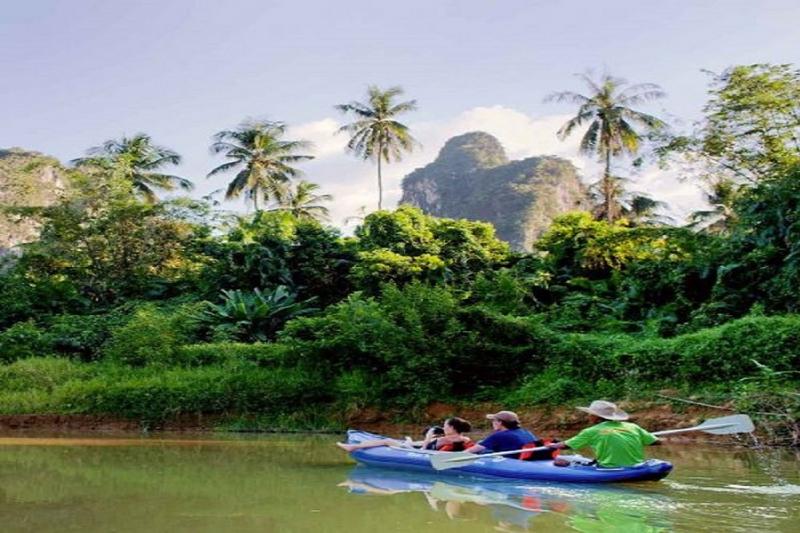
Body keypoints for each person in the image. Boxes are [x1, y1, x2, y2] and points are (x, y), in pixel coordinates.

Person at [548, 400, 660, 468]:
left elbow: (565, 445)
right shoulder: (633, 427)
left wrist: (551, 446)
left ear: (596, 417)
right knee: (581, 457)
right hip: (636, 466)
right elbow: (656, 442)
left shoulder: (591, 431)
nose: (588, 416)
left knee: (559, 459)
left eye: (590, 414)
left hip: (608, 468)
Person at [336, 418, 472, 452]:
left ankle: (352, 447)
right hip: (417, 447)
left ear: (452, 428)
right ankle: (409, 441)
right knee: (409, 441)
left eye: (445, 425)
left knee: (387, 441)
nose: (443, 427)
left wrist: (428, 437)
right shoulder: (465, 438)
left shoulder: (445, 439)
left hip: (417, 451)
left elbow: (424, 450)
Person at [464, 411, 537, 459]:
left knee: (482, 448)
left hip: (514, 460)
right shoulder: (526, 432)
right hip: (528, 457)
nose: (492, 423)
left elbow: (471, 451)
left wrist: (458, 455)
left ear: (500, 422)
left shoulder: (499, 435)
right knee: (483, 442)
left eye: (493, 420)